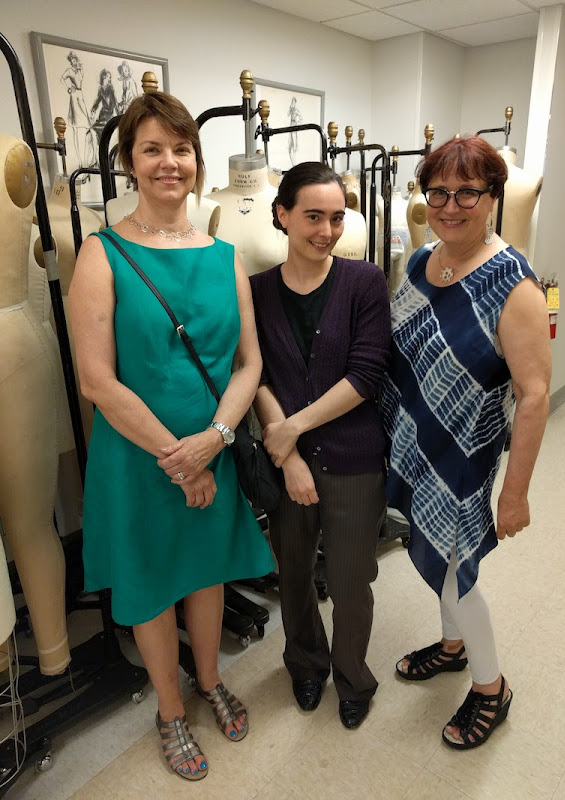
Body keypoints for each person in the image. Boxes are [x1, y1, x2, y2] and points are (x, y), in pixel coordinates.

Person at [69, 91, 274, 781]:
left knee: (206, 573)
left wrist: (214, 439)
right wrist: (181, 459)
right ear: (129, 162)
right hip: (140, 459)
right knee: (154, 581)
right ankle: (169, 709)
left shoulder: (225, 256)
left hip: (212, 447)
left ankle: (209, 678)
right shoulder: (101, 254)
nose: (169, 163)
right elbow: (97, 381)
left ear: (196, 158)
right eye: (152, 149)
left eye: (181, 148)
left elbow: (249, 364)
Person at [382, 136, 551, 749]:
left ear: (492, 197)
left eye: (467, 193)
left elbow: (534, 395)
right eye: (439, 193)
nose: (450, 206)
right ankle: (452, 647)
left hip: (465, 456)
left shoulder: (515, 285)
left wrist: (516, 493)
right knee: (436, 549)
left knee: (459, 571)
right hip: (421, 441)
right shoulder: (422, 260)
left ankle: (490, 687)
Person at [251, 162, 390, 730]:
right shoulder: (256, 291)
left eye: (336, 218)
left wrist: (291, 431)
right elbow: (253, 374)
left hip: (354, 458)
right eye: (313, 216)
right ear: (282, 215)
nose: (327, 231)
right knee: (294, 574)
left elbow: (367, 372)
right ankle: (305, 664)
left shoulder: (364, 282)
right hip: (285, 464)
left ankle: (353, 677)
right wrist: (286, 454)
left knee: (352, 581)